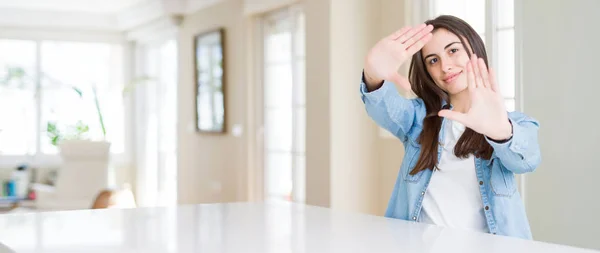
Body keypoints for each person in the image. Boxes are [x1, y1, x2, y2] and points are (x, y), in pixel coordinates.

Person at [360, 15, 541, 240]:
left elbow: (528, 159)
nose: (445, 66)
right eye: (433, 60)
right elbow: (382, 107)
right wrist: (373, 74)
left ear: (473, 48)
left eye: (453, 51)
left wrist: (501, 132)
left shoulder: (513, 124)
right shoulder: (418, 118)